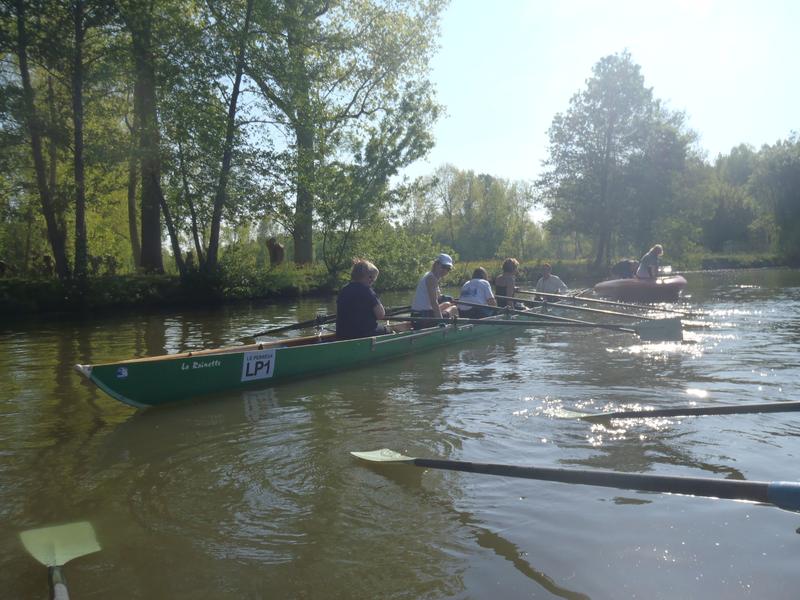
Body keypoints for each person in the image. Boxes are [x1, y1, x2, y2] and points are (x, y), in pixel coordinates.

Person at [336, 259, 387, 340]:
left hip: (342, 335)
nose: (372, 282)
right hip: (362, 335)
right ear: (369, 277)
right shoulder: (367, 291)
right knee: (387, 330)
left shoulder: (343, 290)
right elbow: (381, 315)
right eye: (373, 279)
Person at [410, 253, 458, 329]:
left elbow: (438, 297)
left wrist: (445, 298)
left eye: (448, 269)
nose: (445, 270)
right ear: (436, 264)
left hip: (417, 316)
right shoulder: (431, 279)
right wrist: (441, 321)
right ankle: (454, 328)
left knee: (448, 304)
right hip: (423, 318)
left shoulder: (429, 275)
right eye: (444, 267)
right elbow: (434, 302)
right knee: (454, 309)